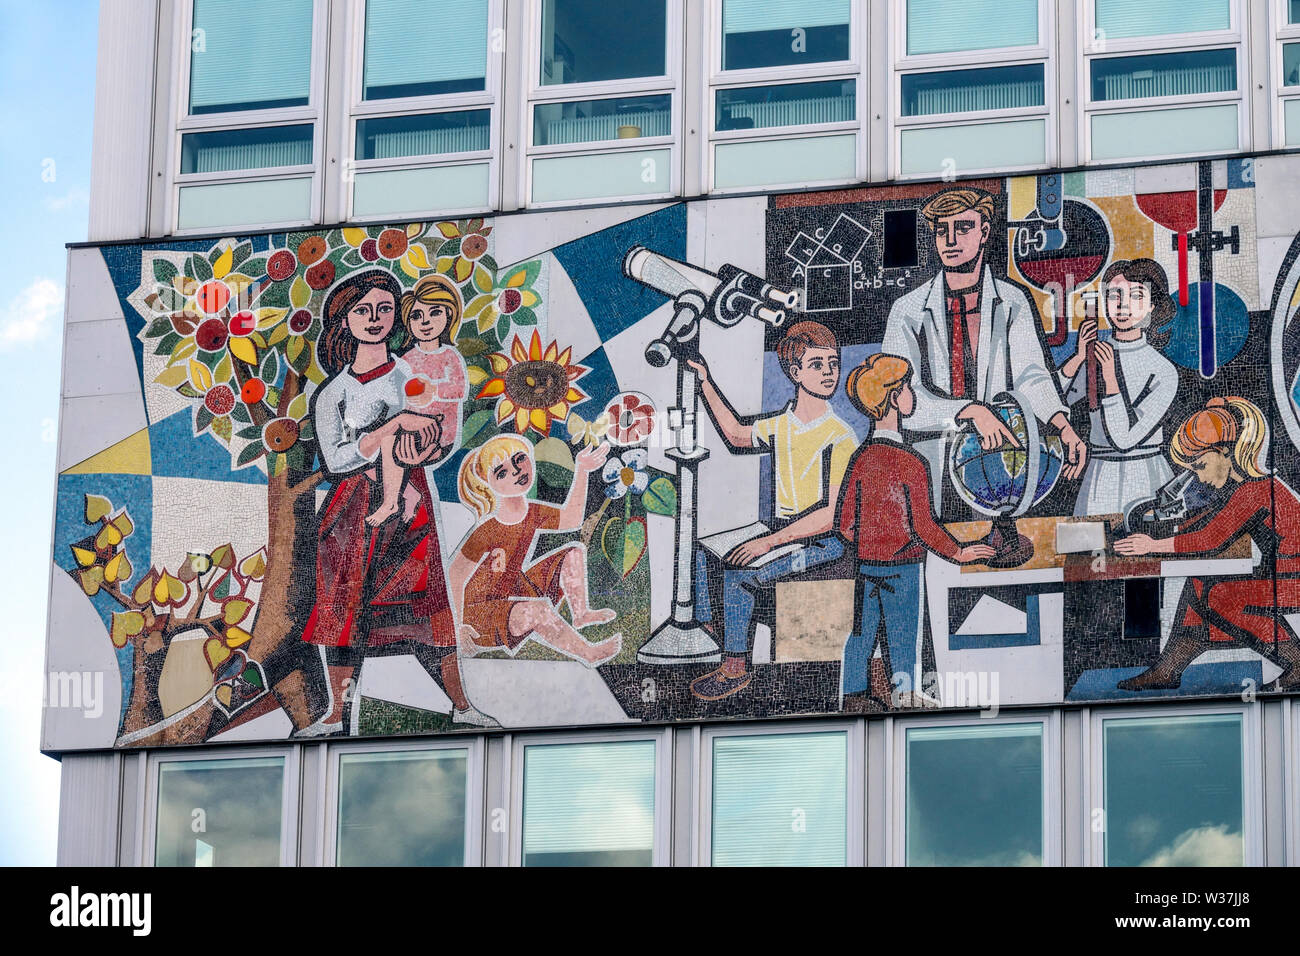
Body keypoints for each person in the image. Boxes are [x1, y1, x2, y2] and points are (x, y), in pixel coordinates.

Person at [298, 268, 497, 736]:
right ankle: (334, 715)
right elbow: (337, 458)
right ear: (343, 319)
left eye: (384, 309)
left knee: (426, 605)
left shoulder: (413, 373)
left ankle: (463, 706)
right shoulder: (334, 394)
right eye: (362, 310)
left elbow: (436, 433)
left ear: (396, 317)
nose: (374, 318)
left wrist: (423, 447)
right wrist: (387, 430)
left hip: (412, 500)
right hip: (352, 508)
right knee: (344, 606)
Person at [882, 187, 1086, 515]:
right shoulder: (906, 311)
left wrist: (1061, 424)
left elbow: (1031, 375)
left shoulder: (1013, 300)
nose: (951, 240)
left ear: (984, 233)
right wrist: (971, 411)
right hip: (932, 458)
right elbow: (903, 399)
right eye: (941, 231)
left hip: (1001, 455)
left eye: (962, 228)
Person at [686, 320, 857, 701]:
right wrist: (705, 382)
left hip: (822, 541)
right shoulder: (783, 424)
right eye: (818, 364)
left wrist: (768, 543)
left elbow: (831, 513)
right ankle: (719, 631)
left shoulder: (841, 435)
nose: (829, 372)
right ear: (795, 373)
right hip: (780, 530)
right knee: (701, 551)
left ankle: (735, 668)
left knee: (741, 575)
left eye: (833, 362)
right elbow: (734, 435)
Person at [837, 353, 995, 712]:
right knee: (903, 634)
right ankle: (904, 693)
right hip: (905, 565)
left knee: (861, 632)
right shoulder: (911, 462)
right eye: (907, 386)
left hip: (866, 565)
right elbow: (924, 526)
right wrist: (959, 552)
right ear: (894, 397)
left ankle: (852, 695)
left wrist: (868, 545)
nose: (912, 393)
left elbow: (845, 522)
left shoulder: (861, 458)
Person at [1114, 396, 1300, 691]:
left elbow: (1211, 539)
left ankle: (1297, 662)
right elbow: (1208, 522)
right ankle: (1169, 668)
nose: (1199, 476)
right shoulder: (1245, 488)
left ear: (1225, 452)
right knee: (1200, 584)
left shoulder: (1255, 492)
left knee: (1221, 597)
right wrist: (1163, 529)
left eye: (1201, 465)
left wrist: (1151, 545)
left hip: (1292, 581)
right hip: (1282, 577)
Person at [449, 434, 622, 666]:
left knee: (573, 553)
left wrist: (582, 469)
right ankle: (589, 654)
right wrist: (457, 627)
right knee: (538, 611)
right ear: (490, 485)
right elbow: (454, 577)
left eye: (519, 459)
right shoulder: (486, 531)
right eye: (501, 472)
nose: (515, 471)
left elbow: (571, 518)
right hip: (480, 616)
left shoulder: (533, 513)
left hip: (512, 591)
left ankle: (581, 615)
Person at [1059, 259, 1178, 517]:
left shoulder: (1163, 370)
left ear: (1152, 305)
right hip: (1099, 474)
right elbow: (1053, 403)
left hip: (1146, 473)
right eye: (1115, 295)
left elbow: (1125, 439)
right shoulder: (1094, 355)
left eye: (1136, 296)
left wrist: (1110, 379)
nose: (1123, 305)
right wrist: (1079, 358)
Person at [364, 275, 469, 526]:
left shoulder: (449, 356)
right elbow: (396, 397)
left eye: (434, 313)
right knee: (366, 450)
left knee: (390, 442)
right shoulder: (407, 359)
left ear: (448, 316)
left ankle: (390, 502)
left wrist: (434, 390)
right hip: (410, 427)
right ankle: (407, 493)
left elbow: (459, 388)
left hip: (440, 432)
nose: (425, 322)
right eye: (416, 316)